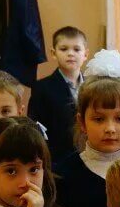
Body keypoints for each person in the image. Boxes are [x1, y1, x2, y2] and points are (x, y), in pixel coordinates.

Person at [55, 52, 120, 207]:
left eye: (119, 118)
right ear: (82, 122)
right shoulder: (61, 176)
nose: (110, 128)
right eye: (99, 119)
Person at [28, 26, 89, 162]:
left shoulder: (94, 85)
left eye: (77, 49)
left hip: (91, 157)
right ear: (53, 53)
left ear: (85, 54)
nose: (70, 53)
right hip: (58, 160)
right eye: (64, 49)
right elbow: (36, 129)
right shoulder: (42, 88)